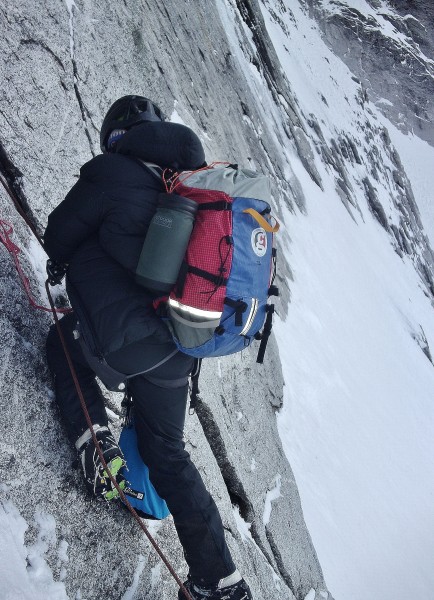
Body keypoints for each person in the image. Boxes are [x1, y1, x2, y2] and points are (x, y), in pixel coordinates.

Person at [44, 95, 253, 600]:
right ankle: (219, 580)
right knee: (167, 452)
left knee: (61, 341)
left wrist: (62, 263)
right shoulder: (194, 184)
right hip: (180, 347)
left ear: (118, 138)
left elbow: (58, 234)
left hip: (125, 343)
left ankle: (97, 447)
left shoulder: (109, 172)